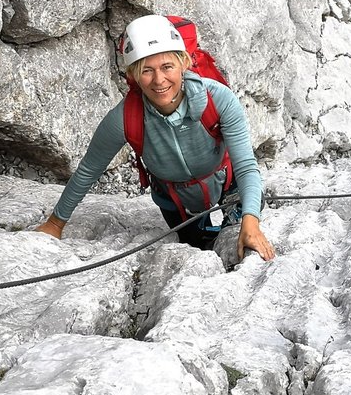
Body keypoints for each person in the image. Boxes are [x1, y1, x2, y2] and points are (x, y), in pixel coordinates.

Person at [35, 15, 275, 261]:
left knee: (237, 234)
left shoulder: (218, 99)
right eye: (147, 70)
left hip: (227, 182)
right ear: (135, 75)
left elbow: (246, 167)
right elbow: (89, 169)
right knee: (195, 246)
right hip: (176, 198)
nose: (159, 80)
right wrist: (55, 224)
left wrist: (251, 222)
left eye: (167, 67)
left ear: (183, 63)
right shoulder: (126, 118)